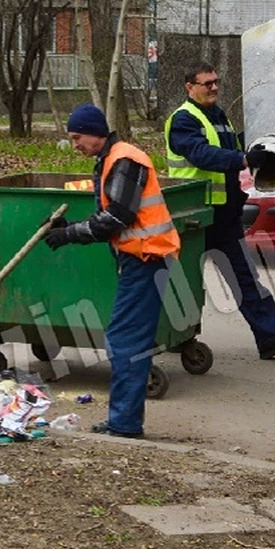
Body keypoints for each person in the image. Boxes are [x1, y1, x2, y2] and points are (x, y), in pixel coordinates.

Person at [44, 103, 180, 438]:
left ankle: (125, 424)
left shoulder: (124, 159)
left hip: (146, 258)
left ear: (94, 132)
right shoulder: (112, 159)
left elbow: (117, 217)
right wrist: (70, 227)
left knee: (124, 341)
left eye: (77, 137)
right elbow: (111, 212)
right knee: (127, 339)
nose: (75, 144)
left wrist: (68, 234)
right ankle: (124, 421)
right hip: (142, 259)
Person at [165, 62, 275, 360]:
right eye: (207, 83)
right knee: (183, 282)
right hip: (193, 215)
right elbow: (201, 154)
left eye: (216, 82)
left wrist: (260, 144)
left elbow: (230, 144)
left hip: (222, 215)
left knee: (245, 277)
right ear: (190, 87)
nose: (214, 87)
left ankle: (270, 337)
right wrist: (242, 158)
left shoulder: (218, 117)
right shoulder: (184, 119)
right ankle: (173, 337)